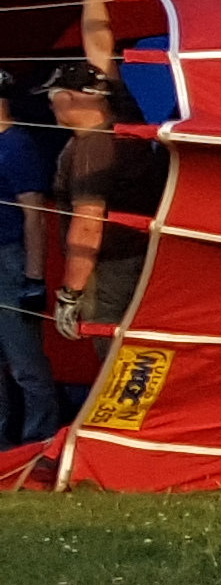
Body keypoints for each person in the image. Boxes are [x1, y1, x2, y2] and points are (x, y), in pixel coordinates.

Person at [41, 59, 139, 341]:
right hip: (142, 260)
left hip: (109, 271)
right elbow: (102, 52)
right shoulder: (126, 122)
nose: (50, 106)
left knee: (111, 350)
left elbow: (88, 225)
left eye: (52, 96)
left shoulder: (90, 149)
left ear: (70, 97)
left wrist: (70, 294)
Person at [0, 77, 65, 440]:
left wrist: (34, 276)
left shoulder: (17, 146)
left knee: (24, 360)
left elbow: (34, 215)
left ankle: (38, 438)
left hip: (9, 259)